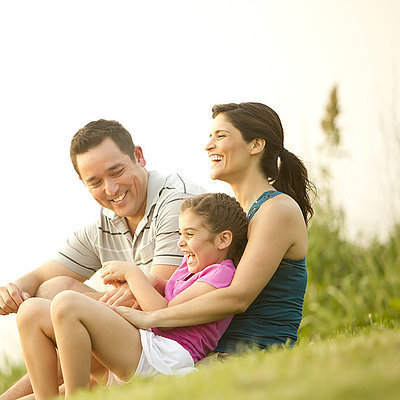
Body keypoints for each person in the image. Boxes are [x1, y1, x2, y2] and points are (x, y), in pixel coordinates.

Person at [0, 119, 201, 399]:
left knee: (64, 302)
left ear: (138, 156)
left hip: (167, 344)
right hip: (129, 342)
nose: (111, 189)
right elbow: (41, 277)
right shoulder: (108, 221)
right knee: (50, 290)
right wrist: (13, 290)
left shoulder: (177, 202)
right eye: (96, 182)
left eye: (116, 172)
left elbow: (157, 305)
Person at [113, 102, 315, 353]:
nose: (209, 146)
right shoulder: (235, 214)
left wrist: (152, 318)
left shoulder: (276, 210)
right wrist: (156, 285)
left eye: (221, 136)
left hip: (251, 354)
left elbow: (238, 297)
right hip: (210, 351)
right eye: (210, 137)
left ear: (256, 145)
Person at [16, 193, 248, 399]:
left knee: (67, 303)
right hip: (142, 350)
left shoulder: (221, 273)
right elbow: (172, 294)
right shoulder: (189, 270)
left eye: (189, 234)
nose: (181, 242)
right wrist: (153, 282)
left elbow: (164, 315)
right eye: (180, 233)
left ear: (223, 240)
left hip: (165, 358)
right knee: (30, 312)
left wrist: (132, 272)